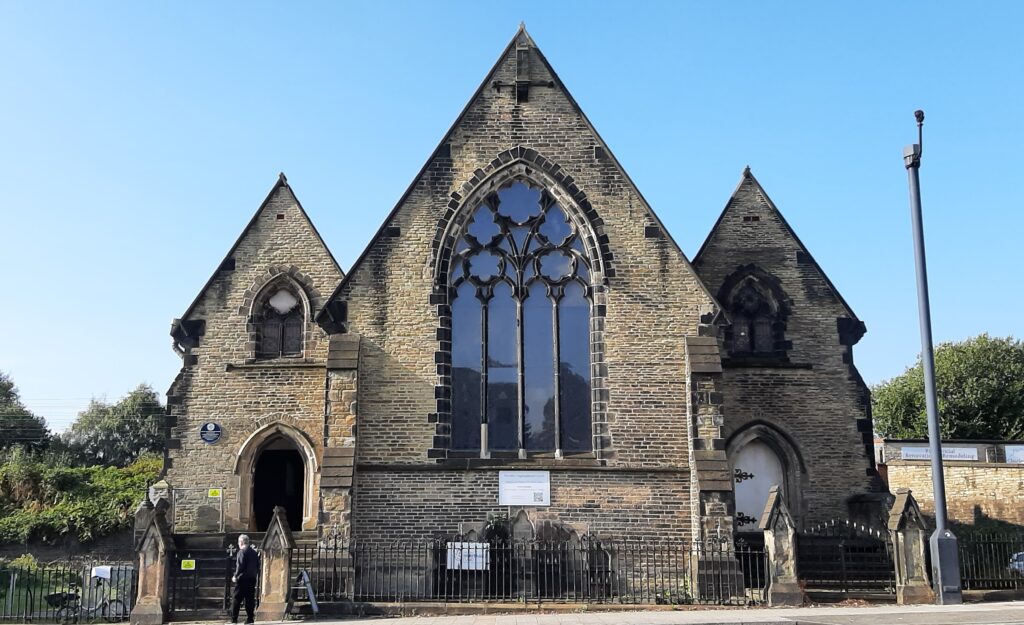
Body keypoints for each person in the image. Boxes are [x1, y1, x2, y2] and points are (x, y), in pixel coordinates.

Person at [230, 534, 259, 624]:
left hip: (242, 579)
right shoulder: (254, 553)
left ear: (241, 542)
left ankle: (234, 619)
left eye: (239, 542)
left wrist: (235, 576)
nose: (238, 544)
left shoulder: (242, 552)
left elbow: (240, 566)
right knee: (249, 599)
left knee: (236, 599)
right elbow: (257, 566)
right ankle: (250, 619)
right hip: (252, 578)